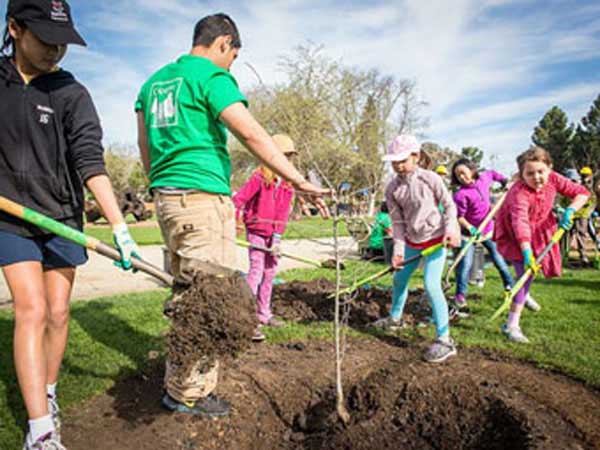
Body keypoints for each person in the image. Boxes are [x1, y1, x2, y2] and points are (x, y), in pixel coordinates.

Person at [135, 13, 328, 418]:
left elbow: (145, 145)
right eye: (233, 57)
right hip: (202, 199)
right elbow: (252, 133)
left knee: (188, 292)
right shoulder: (211, 77)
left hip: (169, 199)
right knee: (210, 299)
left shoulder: (152, 84)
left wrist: (160, 187)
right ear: (224, 43)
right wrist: (298, 180)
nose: (231, 66)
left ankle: (185, 385)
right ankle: (189, 393)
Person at [0, 1, 140, 448]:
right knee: (32, 309)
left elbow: (89, 162)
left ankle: (48, 392)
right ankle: (39, 433)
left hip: (61, 216)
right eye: (46, 39)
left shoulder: (70, 92)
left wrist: (119, 226)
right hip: (10, 217)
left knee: (58, 314)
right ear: (15, 28)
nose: (56, 51)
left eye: (63, 42)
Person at [371, 134, 460, 363]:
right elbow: (398, 223)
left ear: (416, 157)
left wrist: (451, 230)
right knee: (399, 281)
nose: (398, 166)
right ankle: (395, 319)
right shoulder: (392, 189)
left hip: (435, 240)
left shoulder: (430, 179)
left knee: (431, 285)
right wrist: (398, 251)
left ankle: (445, 340)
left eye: (403, 160)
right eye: (394, 161)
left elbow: (449, 206)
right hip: (412, 242)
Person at [494, 147, 589, 343]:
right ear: (522, 174)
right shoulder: (518, 192)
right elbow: (520, 223)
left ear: (550, 168)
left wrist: (570, 211)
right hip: (516, 234)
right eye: (530, 173)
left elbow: (582, 193)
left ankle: (524, 294)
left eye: (540, 171)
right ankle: (511, 325)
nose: (536, 177)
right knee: (524, 275)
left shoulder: (554, 178)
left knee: (529, 275)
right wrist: (527, 252)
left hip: (540, 229)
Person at [450, 159, 540, 312]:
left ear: (472, 170)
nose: (461, 177)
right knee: (465, 265)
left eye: (463, 173)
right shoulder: (460, 195)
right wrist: (470, 228)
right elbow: (459, 216)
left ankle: (514, 290)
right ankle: (460, 296)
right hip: (469, 235)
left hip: (488, 231)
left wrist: (504, 182)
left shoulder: (484, 179)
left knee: (500, 262)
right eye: (458, 175)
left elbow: (493, 174)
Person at [233, 134, 297, 341]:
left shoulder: (287, 184)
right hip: (257, 231)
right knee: (256, 271)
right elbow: (239, 199)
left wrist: (277, 238)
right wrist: (235, 222)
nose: (286, 161)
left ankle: (264, 313)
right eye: (283, 156)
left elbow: (283, 213)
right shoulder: (260, 177)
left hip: (273, 235)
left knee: (270, 272)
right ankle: (248, 318)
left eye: (289, 157)